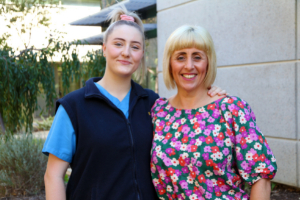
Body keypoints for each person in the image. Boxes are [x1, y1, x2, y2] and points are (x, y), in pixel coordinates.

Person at [42, 7, 226, 200]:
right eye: (118, 44)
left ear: (142, 54)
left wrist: (210, 95)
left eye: (135, 47)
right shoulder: (74, 107)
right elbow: (53, 175)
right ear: (104, 48)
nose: (126, 53)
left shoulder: (155, 104)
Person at [150, 25, 277, 200]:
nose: (189, 65)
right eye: (180, 57)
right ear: (169, 63)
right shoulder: (159, 111)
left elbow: (260, 177)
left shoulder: (232, 109)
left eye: (197, 57)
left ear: (208, 62)